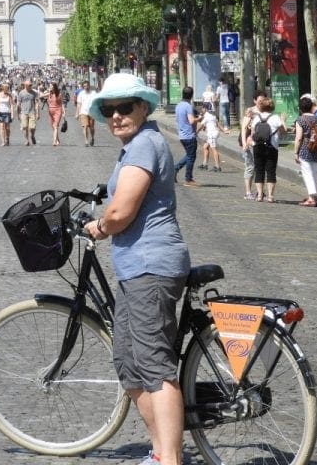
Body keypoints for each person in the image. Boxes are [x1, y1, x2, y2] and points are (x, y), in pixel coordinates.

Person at [83, 73, 190, 465]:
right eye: (109, 109)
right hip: (135, 269)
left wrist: (101, 226)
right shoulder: (133, 147)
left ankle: (172, 460)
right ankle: (160, 452)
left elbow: (122, 211)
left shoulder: (145, 143)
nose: (116, 115)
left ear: (143, 107)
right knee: (128, 363)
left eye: (125, 107)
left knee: (155, 366)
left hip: (151, 266)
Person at [250, 96, 287, 202]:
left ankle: (260, 195)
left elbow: (253, 133)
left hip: (257, 146)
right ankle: (270, 196)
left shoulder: (257, 118)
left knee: (259, 170)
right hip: (272, 147)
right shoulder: (275, 118)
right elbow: (284, 132)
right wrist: (283, 120)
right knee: (271, 171)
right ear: (272, 107)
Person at [294, 96, 317, 205]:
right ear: (311, 106)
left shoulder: (300, 119)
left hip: (305, 149)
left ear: (301, 108)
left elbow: (298, 138)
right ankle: (314, 197)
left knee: (308, 174)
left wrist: (295, 152)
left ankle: (312, 199)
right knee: (315, 174)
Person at [240, 90, 266, 200]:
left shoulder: (267, 111)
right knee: (250, 167)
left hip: (263, 143)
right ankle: (248, 192)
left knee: (261, 168)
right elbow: (244, 129)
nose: (261, 102)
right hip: (250, 144)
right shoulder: (250, 112)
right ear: (255, 100)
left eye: (263, 100)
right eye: (259, 100)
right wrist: (244, 143)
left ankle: (260, 192)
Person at [173, 86, 200, 187]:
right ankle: (188, 179)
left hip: (182, 135)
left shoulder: (179, 105)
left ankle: (175, 169)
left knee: (189, 155)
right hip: (189, 135)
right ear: (191, 95)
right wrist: (200, 118)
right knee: (191, 157)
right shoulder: (188, 106)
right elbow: (191, 120)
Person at [197, 104, 229, 171]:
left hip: (211, 134)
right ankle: (204, 164)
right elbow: (218, 124)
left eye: (202, 108)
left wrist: (195, 132)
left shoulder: (207, 116)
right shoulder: (213, 115)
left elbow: (201, 126)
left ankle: (217, 166)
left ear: (205, 109)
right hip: (215, 133)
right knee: (205, 146)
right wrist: (224, 131)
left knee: (214, 149)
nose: (202, 110)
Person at [16, 78, 40, 145]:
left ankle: (32, 135)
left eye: (31, 85)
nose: (30, 86)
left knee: (32, 127)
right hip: (23, 112)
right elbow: (18, 103)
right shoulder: (21, 93)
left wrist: (38, 113)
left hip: (32, 112)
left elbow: (37, 103)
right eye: (29, 85)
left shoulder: (34, 93)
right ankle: (26, 140)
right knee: (25, 127)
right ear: (25, 85)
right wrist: (18, 114)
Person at [75, 80, 97, 146]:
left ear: (89, 86)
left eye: (87, 86)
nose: (85, 87)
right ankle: (86, 141)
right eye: (84, 86)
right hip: (83, 112)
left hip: (92, 112)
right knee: (85, 126)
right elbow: (79, 104)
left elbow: (96, 102)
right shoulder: (81, 94)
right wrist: (77, 113)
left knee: (91, 127)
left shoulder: (93, 93)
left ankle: (92, 138)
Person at [46, 82, 66, 146]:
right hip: (51, 112)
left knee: (55, 126)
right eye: (49, 86)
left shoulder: (58, 94)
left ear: (54, 87)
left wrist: (63, 112)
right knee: (53, 127)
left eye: (51, 86)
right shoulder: (49, 94)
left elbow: (61, 104)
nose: (50, 87)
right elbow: (40, 95)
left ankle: (54, 141)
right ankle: (58, 140)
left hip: (58, 111)